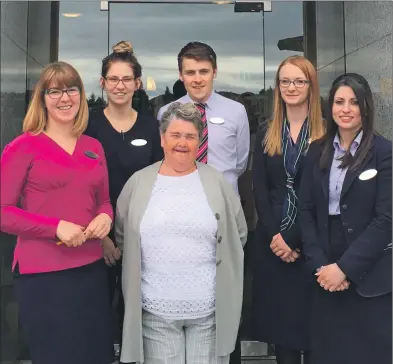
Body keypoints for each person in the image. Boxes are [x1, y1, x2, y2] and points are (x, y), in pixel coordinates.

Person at [115, 102, 247, 364]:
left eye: (190, 136)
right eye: (175, 135)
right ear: (162, 138)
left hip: (209, 314)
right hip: (155, 313)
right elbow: (122, 235)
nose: (182, 143)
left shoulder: (217, 181)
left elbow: (238, 233)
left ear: (200, 141)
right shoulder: (138, 183)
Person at [0, 61, 114, 364]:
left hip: (90, 271)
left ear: (81, 95)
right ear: (42, 98)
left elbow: (104, 201)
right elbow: (3, 212)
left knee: (95, 355)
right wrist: (55, 227)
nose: (65, 98)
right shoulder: (23, 146)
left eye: (72, 90)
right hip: (44, 276)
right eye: (55, 92)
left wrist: (106, 217)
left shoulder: (93, 147)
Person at [299, 73, 392, 364]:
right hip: (325, 272)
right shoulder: (316, 151)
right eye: (339, 101)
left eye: (354, 102)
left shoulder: (384, 153)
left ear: (365, 107)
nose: (346, 109)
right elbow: (306, 211)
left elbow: (386, 219)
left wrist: (345, 268)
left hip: (369, 273)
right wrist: (321, 266)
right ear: (331, 107)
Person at [84, 40, 164, 348]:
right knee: (99, 311)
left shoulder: (150, 127)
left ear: (137, 83)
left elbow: (159, 184)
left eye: (126, 79)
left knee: (137, 313)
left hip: (142, 236)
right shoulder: (87, 126)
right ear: (103, 83)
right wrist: (102, 236)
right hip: (95, 235)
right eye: (113, 79)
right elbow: (82, 185)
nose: (120, 85)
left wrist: (137, 236)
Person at [252, 56, 325, 364]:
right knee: (282, 337)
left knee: (315, 332)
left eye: (299, 81)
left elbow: (324, 193)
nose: (291, 87)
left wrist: (293, 238)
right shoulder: (267, 130)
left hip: (313, 244)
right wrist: (276, 236)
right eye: (285, 81)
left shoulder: (327, 132)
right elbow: (259, 187)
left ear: (311, 86)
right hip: (274, 245)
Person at [157, 41, 250, 195]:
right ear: (181, 75)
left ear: (214, 72)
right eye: (190, 72)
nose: (198, 79)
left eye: (204, 71)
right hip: (180, 199)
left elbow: (240, 164)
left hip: (224, 202)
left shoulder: (236, 112)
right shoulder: (166, 113)